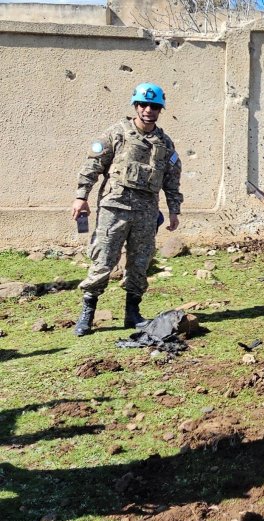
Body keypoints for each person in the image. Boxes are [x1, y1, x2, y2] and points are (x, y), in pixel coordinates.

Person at [72, 82, 183, 337]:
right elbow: (93, 165)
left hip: (146, 213)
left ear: (160, 110)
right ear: (136, 106)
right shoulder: (118, 133)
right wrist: (81, 196)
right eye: (143, 105)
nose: (148, 110)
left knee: (140, 263)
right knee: (104, 260)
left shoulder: (165, 143)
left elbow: (172, 180)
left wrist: (174, 210)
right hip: (115, 208)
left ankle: (132, 313)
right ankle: (88, 313)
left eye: (154, 106)